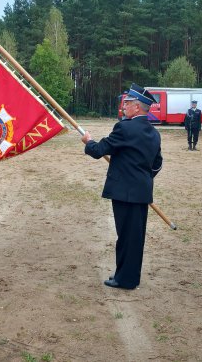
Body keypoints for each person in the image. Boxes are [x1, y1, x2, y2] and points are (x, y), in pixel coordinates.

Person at [81, 83, 162, 290]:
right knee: (135, 237)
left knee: (126, 237)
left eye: (127, 103)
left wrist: (87, 141)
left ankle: (124, 280)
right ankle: (129, 277)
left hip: (125, 193)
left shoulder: (124, 127)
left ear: (137, 107)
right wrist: (141, 177)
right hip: (141, 192)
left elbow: (99, 150)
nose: (124, 106)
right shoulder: (154, 132)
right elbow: (157, 164)